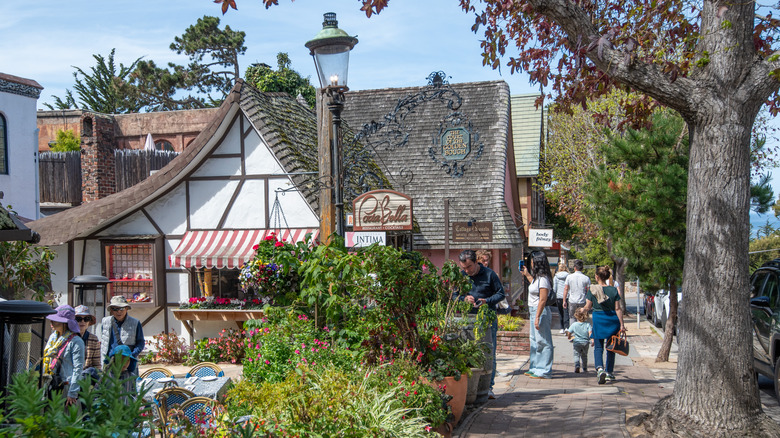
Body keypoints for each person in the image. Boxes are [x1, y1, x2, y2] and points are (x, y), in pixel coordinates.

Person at [457, 249, 505, 398]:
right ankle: (471, 388)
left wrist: (486, 301)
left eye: (469, 267)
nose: (466, 270)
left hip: (487, 319)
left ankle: (488, 387)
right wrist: (463, 299)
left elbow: (500, 294)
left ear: (476, 262)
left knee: (489, 352)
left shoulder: (489, 274)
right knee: (467, 353)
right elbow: (453, 296)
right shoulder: (462, 276)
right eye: (463, 268)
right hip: (467, 319)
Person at [583, 266, 626, 384]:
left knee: (598, 346)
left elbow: (588, 307)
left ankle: (600, 369)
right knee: (611, 347)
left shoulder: (592, 290)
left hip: (598, 319)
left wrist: (581, 310)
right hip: (612, 319)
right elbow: (618, 308)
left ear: (597, 277)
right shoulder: (614, 290)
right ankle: (609, 372)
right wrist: (622, 324)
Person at [520, 250, 554, 379]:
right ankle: (535, 367)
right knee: (534, 341)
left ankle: (544, 370)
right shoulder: (538, 278)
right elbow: (534, 286)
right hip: (534, 310)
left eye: (533, 262)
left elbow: (543, 299)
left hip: (540, 311)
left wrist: (537, 316)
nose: (531, 264)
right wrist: (527, 274)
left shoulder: (544, 279)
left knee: (543, 341)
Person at [43, 305, 85, 405]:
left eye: (55, 320)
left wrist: (73, 392)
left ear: (65, 323)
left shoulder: (76, 341)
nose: (51, 322)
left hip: (66, 386)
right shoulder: (53, 337)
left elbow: (78, 368)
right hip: (50, 382)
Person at [100, 296, 145, 377]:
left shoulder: (135, 323)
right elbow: (103, 341)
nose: (118, 312)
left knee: (129, 387)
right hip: (110, 362)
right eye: (115, 309)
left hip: (128, 364)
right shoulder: (105, 321)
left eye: (121, 308)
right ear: (111, 310)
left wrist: (131, 356)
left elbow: (140, 343)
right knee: (108, 387)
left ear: (127, 308)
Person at [563, 260, 590, 330]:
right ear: (582, 268)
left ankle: (573, 332)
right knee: (582, 317)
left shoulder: (569, 277)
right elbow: (588, 291)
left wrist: (564, 300)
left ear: (575, 268)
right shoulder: (586, 278)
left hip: (572, 300)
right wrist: (589, 302)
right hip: (582, 300)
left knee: (572, 317)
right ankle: (581, 332)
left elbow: (566, 289)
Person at [75, 305, 102, 371]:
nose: (82, 322)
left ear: (89, 321)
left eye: (86, 319)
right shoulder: (69, 337)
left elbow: (96, 364)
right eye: (78, 319)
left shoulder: (94, 339)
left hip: (87, 376)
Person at [566, 307, 592, 373]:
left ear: (576, 315)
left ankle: (577, 366)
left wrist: (569, 337)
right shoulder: (587, 325)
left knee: (576, 355)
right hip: (585, 342)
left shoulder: (574, 324)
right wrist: (592, 340)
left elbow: (569, 332)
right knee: (584, 356)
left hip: (577, 342)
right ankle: (585, 368)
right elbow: (590, 333)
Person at [553, 263, 570, 333]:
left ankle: (562, 328)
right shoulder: (569, 276)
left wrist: (555, 294)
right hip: (567, 296)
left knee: (560, 312)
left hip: (559, 296)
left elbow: (554, 288)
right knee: (566, 312)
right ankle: (567, 327)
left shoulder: (556, 277)